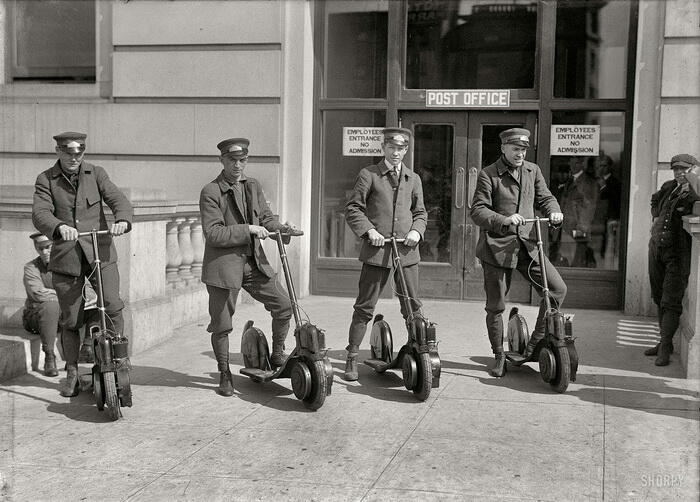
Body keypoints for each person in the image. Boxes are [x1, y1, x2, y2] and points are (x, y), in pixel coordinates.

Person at [32, 132, 133, 397]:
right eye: (68, 153)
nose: (74, 158)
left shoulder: (96, 173)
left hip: (100, 251)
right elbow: (40, 213)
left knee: (111, 303)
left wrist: (122, 219)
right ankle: (73, 371)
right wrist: (59, 227)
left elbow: (118, 199)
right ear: (58, 151)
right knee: (71, 320)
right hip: (67, 256)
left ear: (84, 153)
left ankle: (119, 360)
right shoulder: (46, 179)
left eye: (79, 153)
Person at [199, 137, 300, 397]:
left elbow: (266, 218)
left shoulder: (252, 186)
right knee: (221, 325)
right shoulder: (210, 191)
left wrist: (281, 228)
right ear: (222, 160)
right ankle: (224, 373)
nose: (237, 165)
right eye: (232, 160)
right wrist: (250, 230)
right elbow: (213, 234)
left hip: (254, 264)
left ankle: (278, 353)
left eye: (242, 160)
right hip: (223, 268)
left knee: (284, 305)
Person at [471, 128, 567, 377]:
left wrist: (554, 210)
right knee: (496, 306)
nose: (520, 154)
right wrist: (504, 219)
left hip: (528, 245)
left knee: (556, 290)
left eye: (523, 149)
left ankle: (534, 344)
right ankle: (499, 355)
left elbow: (545, 198)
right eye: (516, 149)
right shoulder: (488, 175)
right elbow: (478, 211)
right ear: (503, 148)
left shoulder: (532, 170)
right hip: (497, 249)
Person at [343, 127, 427, 381]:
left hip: (406, 250)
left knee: (412, 306)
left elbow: (421, 212)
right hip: (377, 252)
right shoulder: (369, 175)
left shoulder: (413, 178)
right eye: (391, 148)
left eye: (401, 148)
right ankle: (352, 357)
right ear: (383, 148)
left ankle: (418, 354)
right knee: (365, 307)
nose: (396, 153)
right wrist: (369, 231)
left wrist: (416, 231)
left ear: (406, 150)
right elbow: (353, 209)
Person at [645, 154, 700, 366]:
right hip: (657, 249)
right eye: (676, 169)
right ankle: (662, 342)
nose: (679, 172)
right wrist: (656, 217)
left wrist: (693, 177)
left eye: (684, 169)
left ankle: (666, 346)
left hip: (678, 253)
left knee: (671, 299)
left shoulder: (693, 189)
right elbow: (654, 200)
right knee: (659, 296)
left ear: (693, 169)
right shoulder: (669, 186)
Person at [22, 232, 60, 377]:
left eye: (48, 247)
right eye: (40, 248)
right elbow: (38, 293)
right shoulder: (31, 267)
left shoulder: (67, 265)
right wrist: (63, 295)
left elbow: (86, 291)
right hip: (36, 317)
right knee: (50, 306)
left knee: (98, 303)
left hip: (61, 316)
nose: (44, 252)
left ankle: (87, 348)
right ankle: (49, 357)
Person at [559, 157, 599, 268]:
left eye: (576, 163)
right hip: (567, 226)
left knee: (577, 261)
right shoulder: (571, 180)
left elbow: (589, 206)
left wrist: (582, 228)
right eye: (571, 163)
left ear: (582, 164)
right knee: (567, 259)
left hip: (577, 228)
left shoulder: (587, 183)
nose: (572, 166)